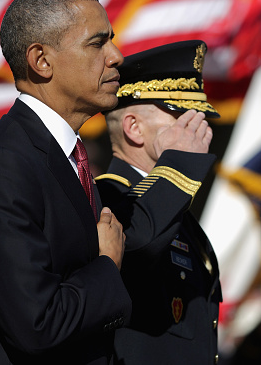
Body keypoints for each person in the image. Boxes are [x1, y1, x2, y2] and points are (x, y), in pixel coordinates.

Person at [0, 0, 131, 364]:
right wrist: (107, 265)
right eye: (97, 44)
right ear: (41, 60)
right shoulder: (3, 163)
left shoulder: (65, 157)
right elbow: (38, 323)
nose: (116, 56)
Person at [96, 40, 222, 364]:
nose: (198, 127)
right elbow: (136, 247)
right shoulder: (105, 198)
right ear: (134, 128)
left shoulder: (176, 207)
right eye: (180, 114)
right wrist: (179, 169)